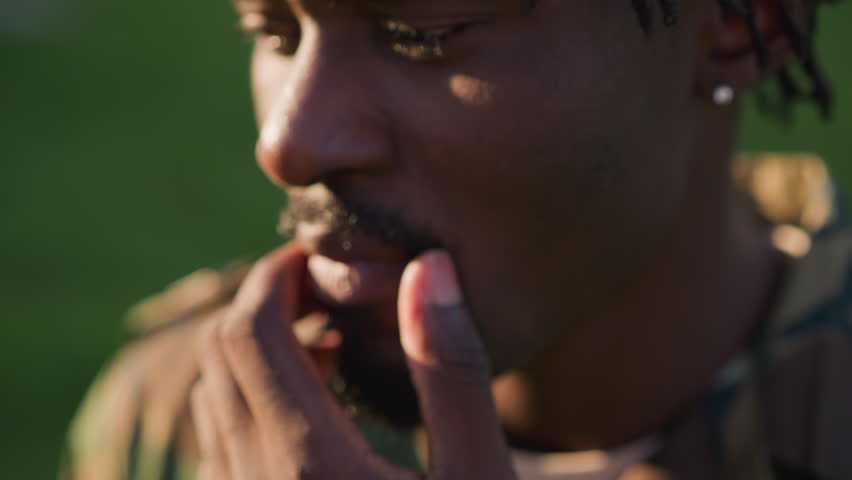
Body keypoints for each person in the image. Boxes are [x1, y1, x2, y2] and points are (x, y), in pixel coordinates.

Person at [61, 0, 851, 479]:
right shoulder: (191, 416)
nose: (287, 141)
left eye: (423, 32)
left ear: (745, 26)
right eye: (270, 29)